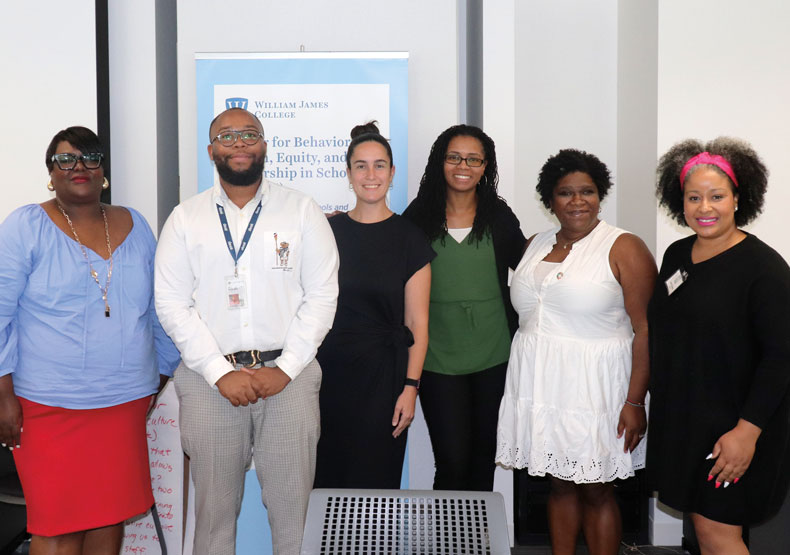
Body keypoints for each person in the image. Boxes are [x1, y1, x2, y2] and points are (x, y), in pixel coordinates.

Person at [154, 107, 338, 555]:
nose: (239, 143)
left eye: (249, 134)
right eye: (228, 135)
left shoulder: (302, 211)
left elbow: (322, 296)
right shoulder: (185, 218)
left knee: (293, 515)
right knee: (214, 517)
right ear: (212, 149)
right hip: (209, 382)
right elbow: (172, 305)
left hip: (288, 381)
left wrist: (287, 367)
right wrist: (220, 372)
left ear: (265, 146)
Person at [0, 126, 180, 555]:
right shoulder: (25, 226)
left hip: (122, 404)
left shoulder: (136, 225)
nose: (79, 167)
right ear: (51, 172)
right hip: (47, 406)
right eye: (66, 159)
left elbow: (158, 306)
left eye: (90, 157)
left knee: (108, 518)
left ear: (104, 170)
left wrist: (160, 372)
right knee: (56, 527)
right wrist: (3, 392)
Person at [496, 149, 656, 555]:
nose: (577, 200)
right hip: (542, 386)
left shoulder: (623, 247)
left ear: (600, 195)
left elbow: (647, 330)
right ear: (550, 199)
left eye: (587, 191)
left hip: (597, 391)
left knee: (597, 490)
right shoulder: (534, 243)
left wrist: (635, 400)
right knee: (558, 485)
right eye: (565, 192)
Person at [647, 138, 790, 555]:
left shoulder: (764, 270)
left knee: (717, 534)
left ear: (737, 198)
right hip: (689, 421)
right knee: (703, 530)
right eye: (694, 197)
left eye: (716, 196)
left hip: (736, 427)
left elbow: (781, 359)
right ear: (680, 202)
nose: (704, 208)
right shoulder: (676, 255)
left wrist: (747, 433)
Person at [403, 124, 526, 491]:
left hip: (494, 353)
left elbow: (528, 272)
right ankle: (448, 543)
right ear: (440, 162)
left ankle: (479, 543)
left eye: (474, 159)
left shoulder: (499, 217)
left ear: (485, 166)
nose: (463, 165)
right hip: (438, 356)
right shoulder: (418, 218)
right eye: (454, 157)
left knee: (482, 456)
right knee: (452, 460)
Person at [313, 122, 434, 489]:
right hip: (328, 378)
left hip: (385, 381)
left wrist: (410, 389)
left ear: (392, 173)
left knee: (375, 488)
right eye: (361, 165)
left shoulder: (410, 238)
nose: (370, 174)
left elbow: (418, 323)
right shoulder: (325, 233)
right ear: (348, 173)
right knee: (327, 485)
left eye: (379, 165)